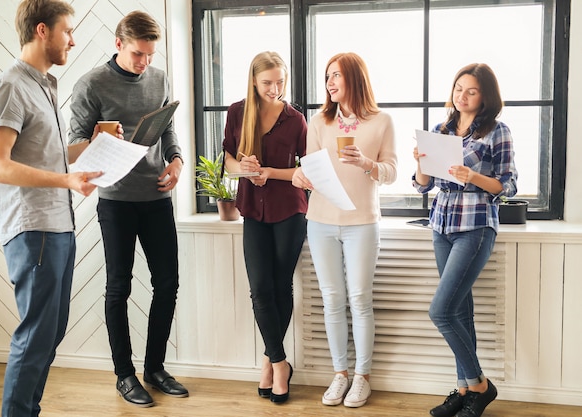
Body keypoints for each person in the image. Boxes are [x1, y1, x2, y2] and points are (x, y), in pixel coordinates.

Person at [0, 1, 102, 416]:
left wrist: (92, 144)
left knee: (48, 335)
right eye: (68, 30)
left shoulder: (44, 86)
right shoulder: (10, 86)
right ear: (42, 31)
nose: (73, 39)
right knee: (35, 336)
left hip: (57, 227)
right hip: (33, 229)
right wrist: (68, 180)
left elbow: (48, 157)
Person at [69, 10, 186, 407]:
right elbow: (72, 147)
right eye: (138, 54)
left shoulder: (158, 77)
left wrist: (177, 161)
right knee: (118, 287)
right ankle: (125, 375)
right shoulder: (91, 84)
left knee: (167, 284)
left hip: (157, 197)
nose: (145, 63)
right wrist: (103, 135)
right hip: (116, 201)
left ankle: (155, 368)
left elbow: (167, 128)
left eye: (150, 55)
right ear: (118, 44)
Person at [292, 52, 397, 408]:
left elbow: (392, 170)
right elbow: (310, 168)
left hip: (362, 223)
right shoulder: (319, 122)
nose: (329, 83)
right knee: (332, 300)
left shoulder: (381, 121)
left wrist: (367, 164)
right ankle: (340, 375)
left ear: (354, 77)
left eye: (336, 75)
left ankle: (362, 377)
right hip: (320, 221)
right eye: (327, 77)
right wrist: (302, 176)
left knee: (359, 299)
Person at [412, 63, 518, 417]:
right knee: (459, 311)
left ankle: (480, 386)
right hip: (441, 224)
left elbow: (508, 185)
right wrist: (421, 163)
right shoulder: (440, 130)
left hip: (475, 226)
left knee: (440, 311)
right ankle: (464, 390)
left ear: (485, 96)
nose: (463, 95)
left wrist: (473, 176)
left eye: (471, 91)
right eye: (459, 88)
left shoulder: (497, 132)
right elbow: (423, 185)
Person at [222, 51, 308, 404]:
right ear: (254, 82)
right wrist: (243, 169)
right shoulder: (237, 112)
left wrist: (269, 172)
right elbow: (226, 160)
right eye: (267, 83)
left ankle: (270, 363)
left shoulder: (296, 120)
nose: (275, 89)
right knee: (260, 289)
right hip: (252, 212)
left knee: (280, 286)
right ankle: (279, 360)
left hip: (290, 210)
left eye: (280, 82)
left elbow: (306, 173)